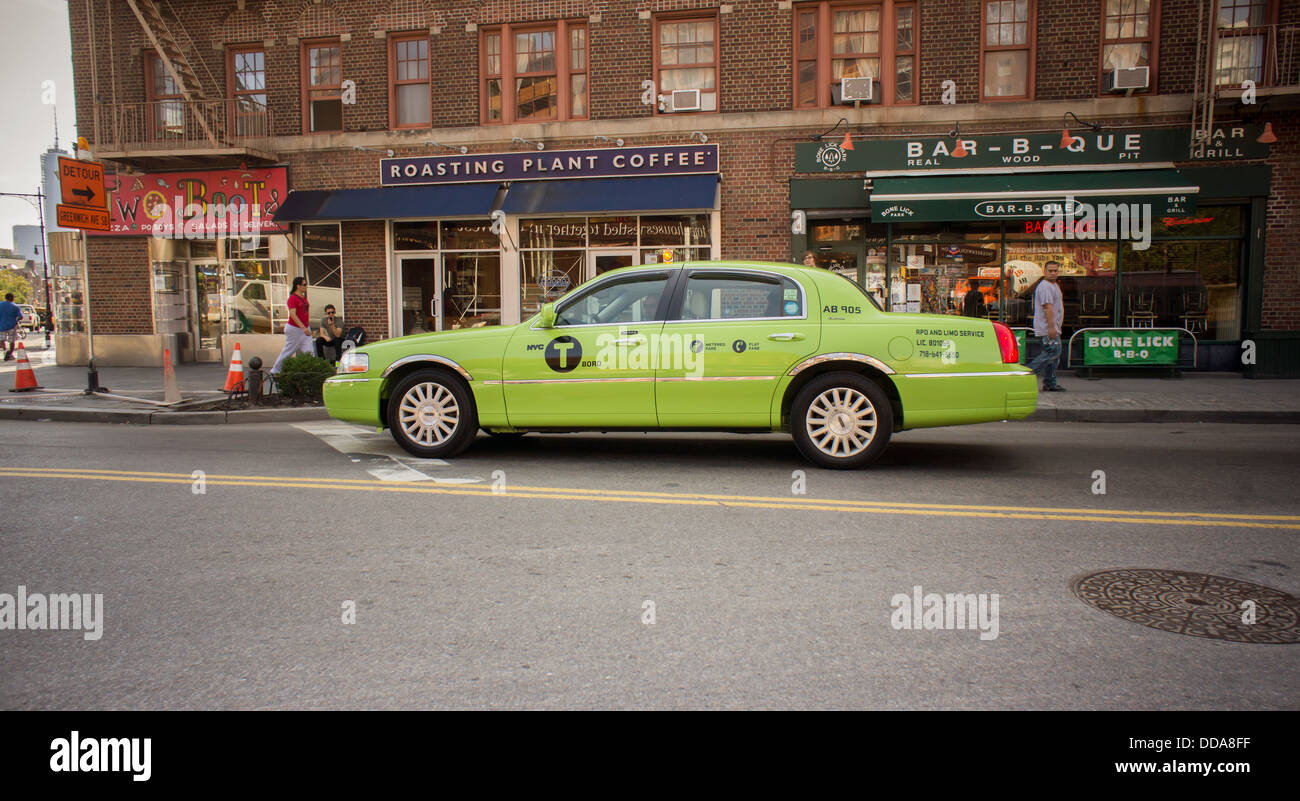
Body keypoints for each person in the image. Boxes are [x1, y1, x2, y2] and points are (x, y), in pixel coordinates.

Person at [1024, 261, 1066, 392]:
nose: (1053, 273)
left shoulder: (1054, 286)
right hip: (1047, 328)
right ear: (1044, 271)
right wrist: (1052, 328)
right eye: (1050, 271)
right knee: (1051, 352)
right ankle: (1025, 373)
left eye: (1055, 271)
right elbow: (1048, 308)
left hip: (1052, 327)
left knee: (1052, 356)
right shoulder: (1045, 286)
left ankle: (1050, 383)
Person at [271, 277, 313, 374]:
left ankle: (310, 371)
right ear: (298, 286)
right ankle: (276, 370)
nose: (306, 286)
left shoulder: (303, 297)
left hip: (305, 327)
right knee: (289, 350)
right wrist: (303, 327)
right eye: (304, 284)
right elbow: (293, 315)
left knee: (309, 351)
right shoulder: (292, 298)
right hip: (295, 328)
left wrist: (305, 327)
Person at [0, 293, 21, 361]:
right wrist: (16, 320)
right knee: (12, 341)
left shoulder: (0, 304)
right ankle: (10, 353)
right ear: (12, 298)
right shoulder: (15, 306)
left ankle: (5, 351)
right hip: (12, 326)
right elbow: (20, 316)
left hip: (1, 325)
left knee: (2, 340)